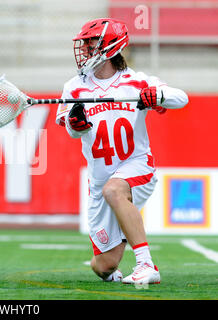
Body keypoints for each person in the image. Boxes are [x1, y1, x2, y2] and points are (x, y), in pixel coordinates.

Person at [56, 18, 188, 284]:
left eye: (90, 42)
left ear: (110, 46)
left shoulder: (137, 82)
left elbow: (181, 98)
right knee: (104, 265)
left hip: (136, 165)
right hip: (100, 178)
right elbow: (71, 129)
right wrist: (77, 123)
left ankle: (146, 265)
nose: (84, 48)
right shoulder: (74, 86)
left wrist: (157, 96)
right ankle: (125, 231)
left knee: (114, 190)